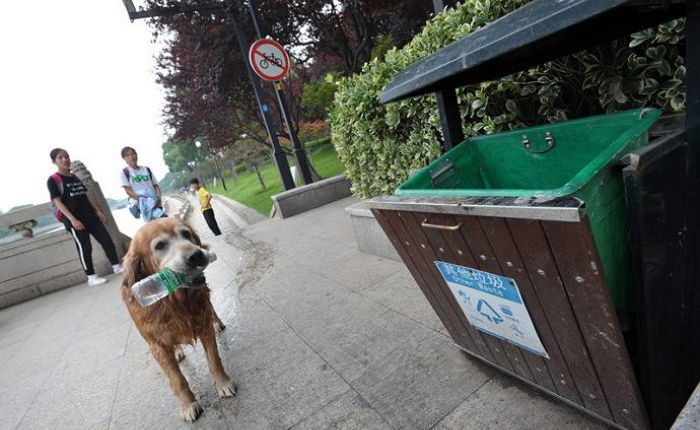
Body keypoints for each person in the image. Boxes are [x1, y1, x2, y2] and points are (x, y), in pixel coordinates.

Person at [47, 148, 122, 286]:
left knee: (106, 240)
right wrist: (73, 220)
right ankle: (91, 277)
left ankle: (116, 267)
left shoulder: (74, 177)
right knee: (85, 248)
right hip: (75, 220)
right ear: (54, 161)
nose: (65, 160)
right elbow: (57, 201)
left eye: (66, 156)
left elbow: (84, 196)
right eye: (60, 158)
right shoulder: (53, 180)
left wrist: (97, 211)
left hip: (90, 216)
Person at [119, 146, 165, 222]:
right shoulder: (124, 172)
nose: (131, 157)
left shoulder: (146, 169)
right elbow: (128, 191)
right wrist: (143, 200)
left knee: (160, 220)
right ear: (124, 159)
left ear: (136, 155)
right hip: (139, 202)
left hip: (153, 199)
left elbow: (156, 186)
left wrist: (158, 198)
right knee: (159, 217)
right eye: (127, 155)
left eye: (133, 154)